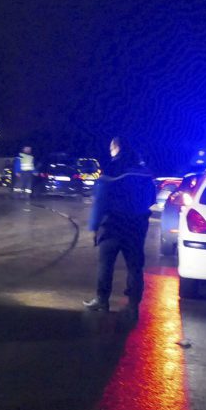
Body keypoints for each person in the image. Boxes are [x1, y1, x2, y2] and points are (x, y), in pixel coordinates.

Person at [84, 136, 155, 318]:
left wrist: (93, 227)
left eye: (111, 148)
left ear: (117, 148)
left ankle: (102, 301)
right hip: (136, 226)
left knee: (106, 264)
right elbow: (152, 199)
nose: (110, 151)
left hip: (112, 225)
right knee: (135, 266)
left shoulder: (111, 170)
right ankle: (133, 305)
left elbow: (100, 201)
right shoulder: (144, 172)